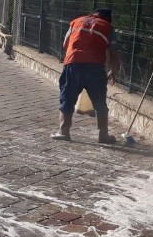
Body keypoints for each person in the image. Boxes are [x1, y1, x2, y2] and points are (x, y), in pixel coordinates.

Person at [51, 8, 121, 144]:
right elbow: (114, 51)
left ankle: (63, 132)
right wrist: (113, 70)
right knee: (100, 103)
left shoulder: (76, 22)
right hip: (95, 68)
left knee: (67, 98)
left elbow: (65, 43)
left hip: (73, 64)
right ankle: (103, 135)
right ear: (108, 18)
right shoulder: (107, 27)